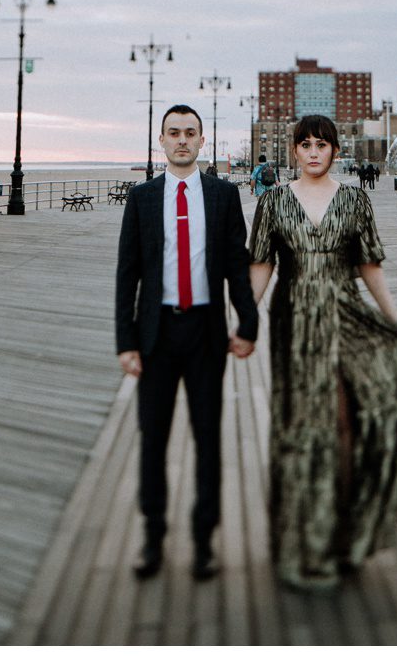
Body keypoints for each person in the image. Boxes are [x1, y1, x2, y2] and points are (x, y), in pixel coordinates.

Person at [248, 114, 397, 591]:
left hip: (347, 313)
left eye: (322, 145)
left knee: (351, 422)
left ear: (335, 151)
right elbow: (260, 265)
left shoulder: (355, 199)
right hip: (296, 320)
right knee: (303, 428)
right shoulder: (273, 201)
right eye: (305, 144)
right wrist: (241, 320)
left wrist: (394, 317)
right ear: (294, 151)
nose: (313, 152)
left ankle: (343, 533)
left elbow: (369, 265)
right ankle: (303, 542)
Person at [116, 105, 260, 581]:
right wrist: (125, 341)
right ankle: (153, 537)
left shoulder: (222, 195)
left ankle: (203, 541)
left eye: (190, 133)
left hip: (205, 332)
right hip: (155, 333)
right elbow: (127, 273)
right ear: (161, 141)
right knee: (153, 439)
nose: (182, 140)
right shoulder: (142, 198)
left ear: (202, 141)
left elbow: (236, 265)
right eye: (174, 133)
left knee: (207, 438)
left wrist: (248, 324)